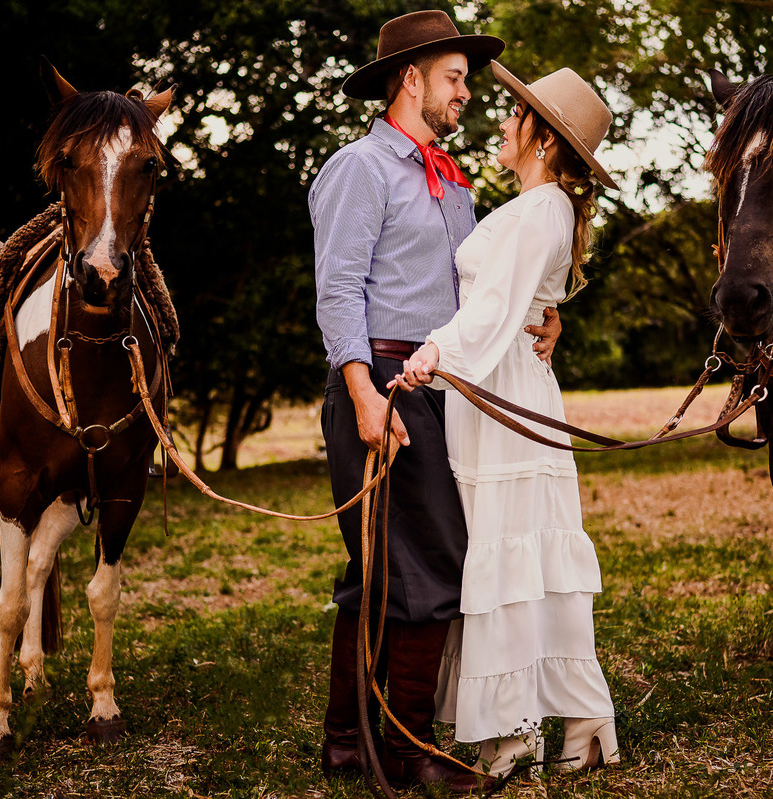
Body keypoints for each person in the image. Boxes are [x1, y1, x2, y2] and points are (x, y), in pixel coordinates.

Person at [309, 10, 561, 793]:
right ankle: (406, 745)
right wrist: (362, 394)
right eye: (455, 78)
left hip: (436, 389)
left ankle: (350, 741)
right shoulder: (361, 167)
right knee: (431, 563)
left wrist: (541, 316)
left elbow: (475, 291)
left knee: (385, 567)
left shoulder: (451, 180)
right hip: (382, 385)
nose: (467, 94)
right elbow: (338, 289)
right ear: (410, 79)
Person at [390, 62, 622, 778]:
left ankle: (519, 733)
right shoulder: (537, 208)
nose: (499, 120)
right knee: (522, 557)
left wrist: (430, 353)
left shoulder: (539, 209)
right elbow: (517, 299)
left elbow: (493, 311)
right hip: (502, 390)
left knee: (514, 553)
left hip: (503, 394)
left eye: (514, 114)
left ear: (543, 139)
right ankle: (576, 726)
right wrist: (543, 313)